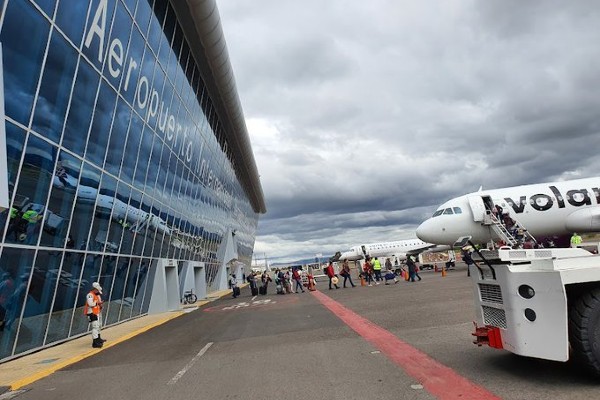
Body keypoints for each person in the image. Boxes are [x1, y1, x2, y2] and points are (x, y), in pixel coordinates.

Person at [84, 282, 106, 348]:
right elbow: (91, 304)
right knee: (95, 327)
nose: (98, 292)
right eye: (97, 290)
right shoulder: (90, 295)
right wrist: (97, 303)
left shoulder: (97, 295)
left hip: (97, 312)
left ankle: (98, 339)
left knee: (99, 325)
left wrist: (100, 305)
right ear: (94, 289)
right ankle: (95, 342)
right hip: (92, 313)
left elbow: (98, 303)